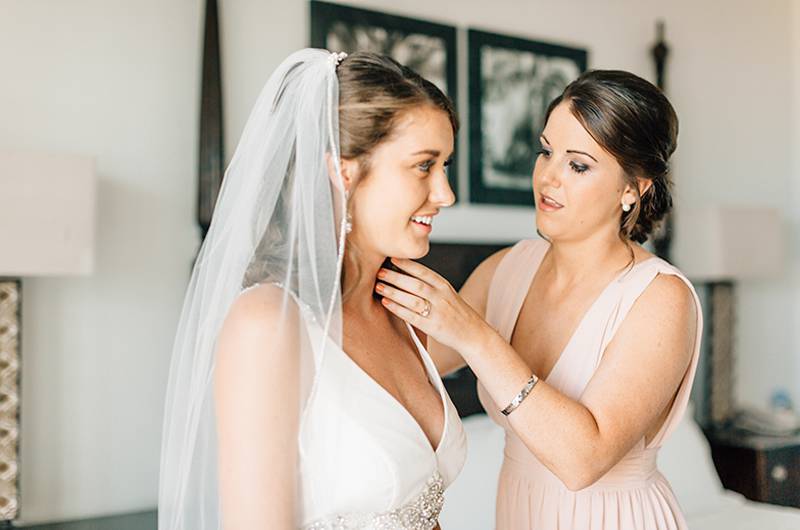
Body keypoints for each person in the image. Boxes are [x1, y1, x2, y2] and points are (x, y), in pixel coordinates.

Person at [376, 70, 702, 530]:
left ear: (633, 188)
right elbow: (404, 368)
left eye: (579, 165)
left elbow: (581, 460)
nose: (548, 177)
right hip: (519, 513)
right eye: (546, 152)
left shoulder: (661, 298)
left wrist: (474, 335)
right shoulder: (506, 269)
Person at [159, 49, 466, 530]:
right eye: (424, 166)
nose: (445, 194)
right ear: (343, 171)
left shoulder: (403, 310)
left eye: (444, 165)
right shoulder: (268, 323)